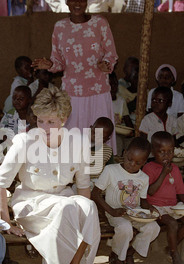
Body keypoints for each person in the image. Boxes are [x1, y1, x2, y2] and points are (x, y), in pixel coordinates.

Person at [0, 86, 101, 264]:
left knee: (88, 208)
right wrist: (5, 221)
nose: (44, 127)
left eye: (51, 122)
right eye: (40, 120)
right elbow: (0, 182)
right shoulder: (24, 142)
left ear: (64, 118)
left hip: (63, 198)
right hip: (31, 203)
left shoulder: (78, 142)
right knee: (67, 209)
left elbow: (83, 186)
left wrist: (84, 212)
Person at [32, 0, 119, 154]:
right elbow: (59, 62)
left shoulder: (100, 23)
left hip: (98, 92)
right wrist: (50, 65)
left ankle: (100, 172)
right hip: (72, 95)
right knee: (71, 144)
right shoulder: (60, 27)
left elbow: (111, 54)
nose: (77, 3)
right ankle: (71, 175)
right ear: (66, 1)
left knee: (99, 141)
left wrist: (106, 64)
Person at [92, 137, 160, 264]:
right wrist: (111, 211)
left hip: (135, 213)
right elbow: (95, 194)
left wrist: (150, 208)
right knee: (125, 228)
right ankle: (117, 256)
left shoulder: (144, 178)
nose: (131, 165)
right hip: (113, 212)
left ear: (144, 162)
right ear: (124, 153)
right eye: (129, 159)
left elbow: (143, 200)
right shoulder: (111, 170)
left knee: (153, 227)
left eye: (137, 163)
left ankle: (129, 253)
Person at [142, 132, 184, 264]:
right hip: (154, 207)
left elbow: (180, 192)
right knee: (172, 223)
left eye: (170, 151)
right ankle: (174, 253)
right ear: (153, 152)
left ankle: (172, 245)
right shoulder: (149, 168)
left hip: (171, 206)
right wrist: (164, 173)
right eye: (162, 152)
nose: (167, 155)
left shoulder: (175, 169)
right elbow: (150, 191)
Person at [88, 117, 115, 185]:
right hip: (78, 183)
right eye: (94, 132)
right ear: (90, 128)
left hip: (97, 184)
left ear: (107, 139)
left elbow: (111, 170)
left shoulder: (108, 151)